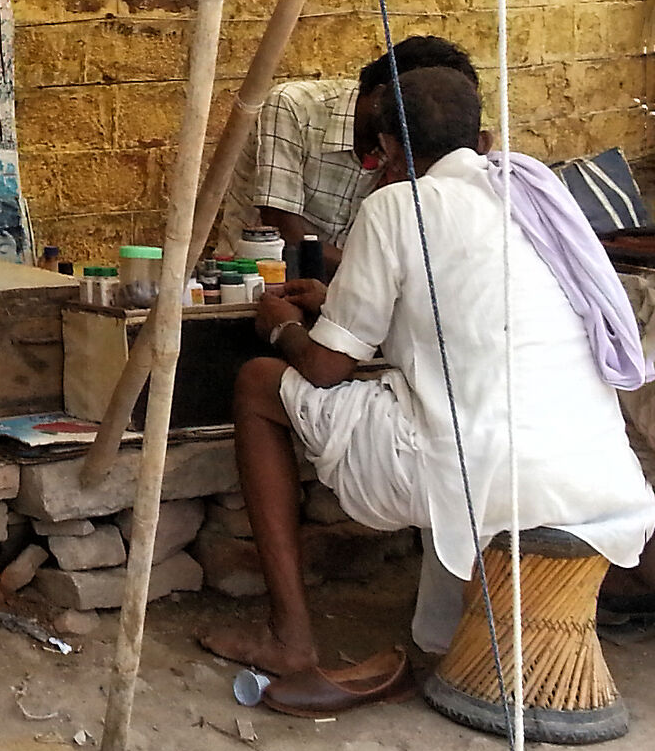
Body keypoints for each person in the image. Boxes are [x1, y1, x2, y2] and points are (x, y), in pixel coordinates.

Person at [204, 66, 655, 681]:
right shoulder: (531, 196)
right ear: (483, 139)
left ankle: (292, 637)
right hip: (598, 468)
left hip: (481, 473)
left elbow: (328, 368)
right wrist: (333, 304)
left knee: (259, 383)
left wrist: (282, 325)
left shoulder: (397, 205)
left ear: (389, 147)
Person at [226, 35, 477, 273]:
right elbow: (284, 232)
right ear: (381, 98)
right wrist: (379, 275)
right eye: (426, 112)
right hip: (259, 279)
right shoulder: (294, 106)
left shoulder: (408, 141)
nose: (434, 125)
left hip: (344, 287)